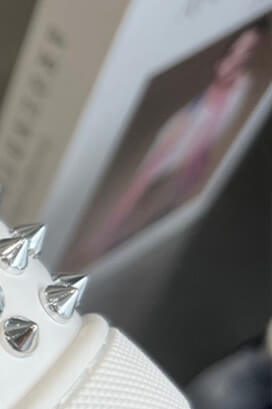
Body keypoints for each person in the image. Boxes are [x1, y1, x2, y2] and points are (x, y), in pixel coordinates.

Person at [75, 18, 269, 263]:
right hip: (182, 135)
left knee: (171, 196)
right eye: (235, 51)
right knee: (141, 186)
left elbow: (223, 122)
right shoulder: (207, 86)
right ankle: (103, 239)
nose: (238, 59)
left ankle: (125, 234)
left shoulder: (242, 85)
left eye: (248, 51)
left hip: (197, 152)